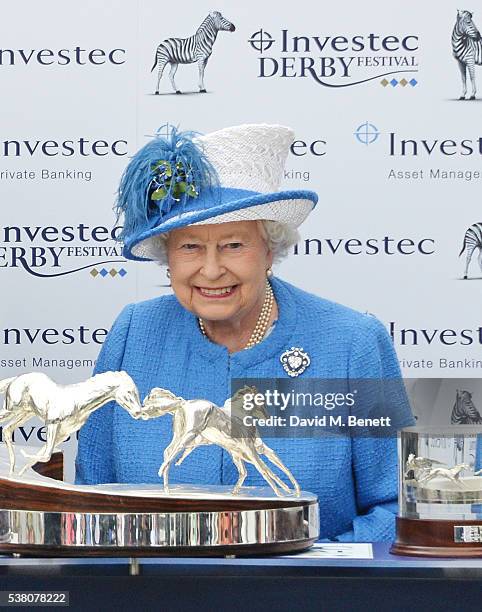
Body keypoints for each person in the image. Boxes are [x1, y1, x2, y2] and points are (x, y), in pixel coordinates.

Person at [75, 123, 414, 542]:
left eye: (234, 245)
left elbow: (396, 507)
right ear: (168, 258)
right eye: (190, 247)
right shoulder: (133, 333)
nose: (212, 269)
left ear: (269, 250)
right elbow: (91, 500)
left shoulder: (350, 342)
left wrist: (315, 571)